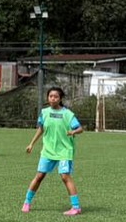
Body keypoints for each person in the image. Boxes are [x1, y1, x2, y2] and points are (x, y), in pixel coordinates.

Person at [23, 86, 85, 215]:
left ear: (60, 98)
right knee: (39, 176)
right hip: (48, 150)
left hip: (64, 150)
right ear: (48, 98)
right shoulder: (44, 112)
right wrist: (31, 144)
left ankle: (76, 207)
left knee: (65, 177)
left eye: (56, 96)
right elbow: (41, 129)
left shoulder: (67, 114)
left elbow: (80, 128)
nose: (53, 98)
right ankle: (27, 203)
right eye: (50, 96)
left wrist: (73, 131)